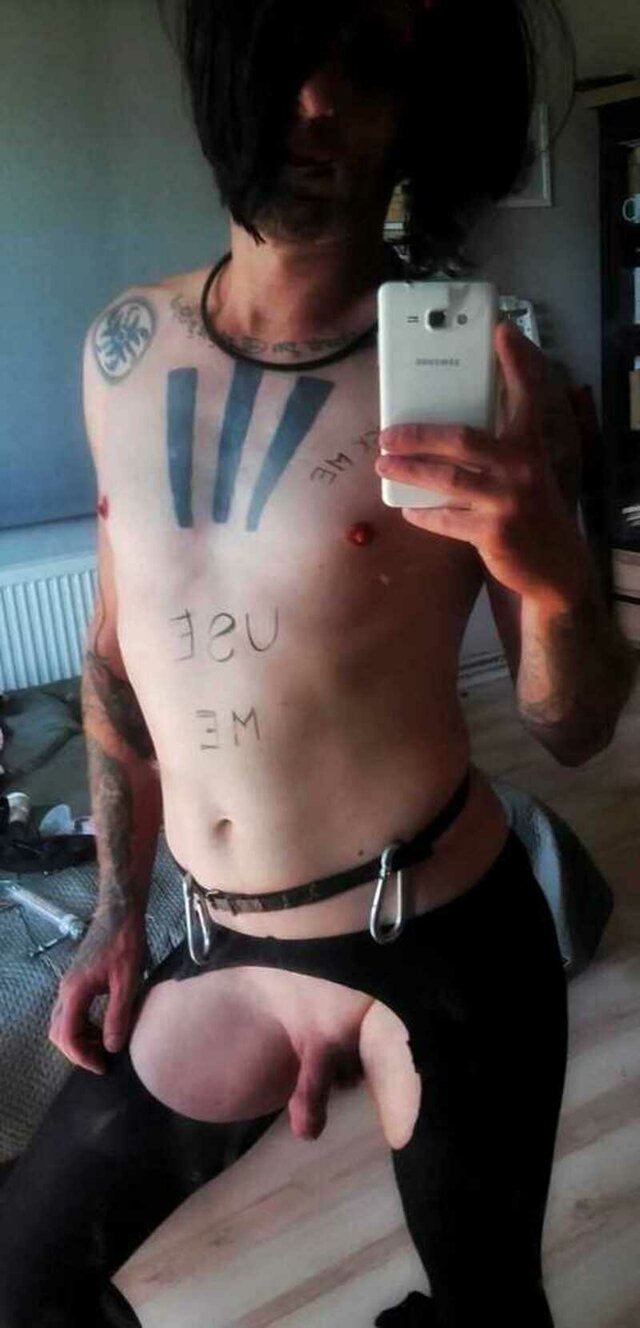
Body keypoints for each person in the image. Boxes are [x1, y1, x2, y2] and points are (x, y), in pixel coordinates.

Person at [0, 2, 636, 1325]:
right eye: (288, 54)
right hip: (220, 942)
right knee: (26, 1282)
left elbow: (575, 726)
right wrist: (117, 911)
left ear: (422, 107)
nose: (318, 106)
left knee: (490, 1309)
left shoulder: (489, 376)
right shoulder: (121, 350)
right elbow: (114, 656)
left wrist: (551, 572)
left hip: (444, 938)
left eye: (374, 69)